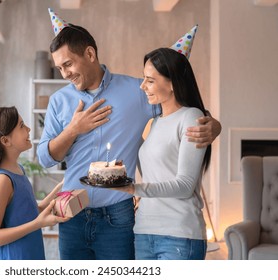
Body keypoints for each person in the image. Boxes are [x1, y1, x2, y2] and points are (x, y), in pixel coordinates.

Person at [37, 9, 221, 260]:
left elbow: (179, 105)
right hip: (71, 212)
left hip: (118, 214)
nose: (65, 73)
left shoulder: (137, 91)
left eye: (68, 64)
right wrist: (73, 130)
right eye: (59, 68)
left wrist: (214, 125)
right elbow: (46, 159)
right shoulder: (59, 101)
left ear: (90, 54)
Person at [111, 47, 211, 260]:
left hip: (179, 235)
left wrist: (133, 188)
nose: (142, 86)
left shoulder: (191, 117)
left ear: (172, 83)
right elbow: (153, 172)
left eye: (150, 80)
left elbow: (185, 186)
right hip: (144, 231)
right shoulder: (154, 122)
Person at [0, 94, 69, 260]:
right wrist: (38, 224)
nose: (28, 129)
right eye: (22, 126)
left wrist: (59, 189)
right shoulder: (2, 180)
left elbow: (30, 213)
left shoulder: (17, 170)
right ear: (6, 141)